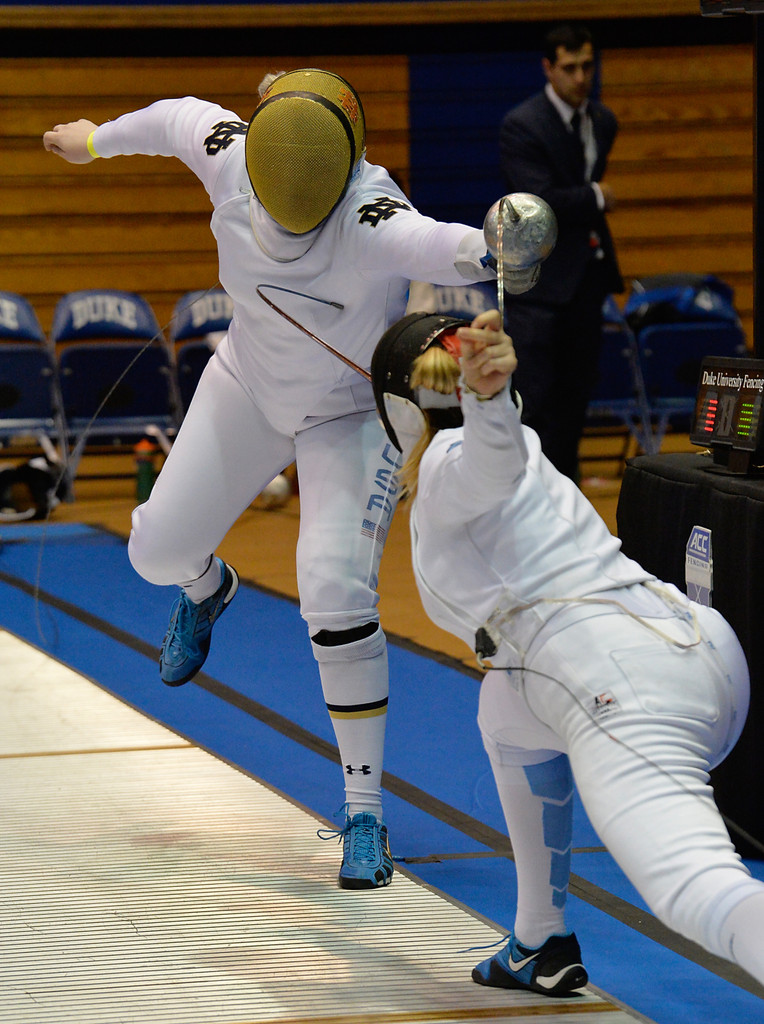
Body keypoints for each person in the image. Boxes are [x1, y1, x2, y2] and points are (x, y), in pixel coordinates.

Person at [43, 68, 497, 891]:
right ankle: (207, 587)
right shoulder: (229, 153)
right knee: (155, 552)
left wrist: (500, 244)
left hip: (350, 412)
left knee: (333, 591)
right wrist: (96, 139)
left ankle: (364, 813)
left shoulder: (370, 215)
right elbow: (175, 116)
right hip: (247, 384)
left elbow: (447, 244)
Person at [369, 307, 764, 995]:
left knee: (698, 893)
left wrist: (487, 404)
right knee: (504, 708)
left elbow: (487, 463)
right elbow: (496, 458)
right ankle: (539, 940)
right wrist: (494, 408)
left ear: (399, 408)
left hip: (623, 684)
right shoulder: (520, 451)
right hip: (698, 646)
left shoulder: (453, 458)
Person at [499, 23, 623, 481]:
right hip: (539, 285)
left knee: (576, 401)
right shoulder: (523, 124)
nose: (581, 77)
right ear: (548, 68)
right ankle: (531, 497)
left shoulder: (603, 121)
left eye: (588, 66)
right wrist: (596, 196)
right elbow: (539, 201)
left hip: (586, 280)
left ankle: (567, 497)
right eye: (570, 67)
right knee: (535, 403)